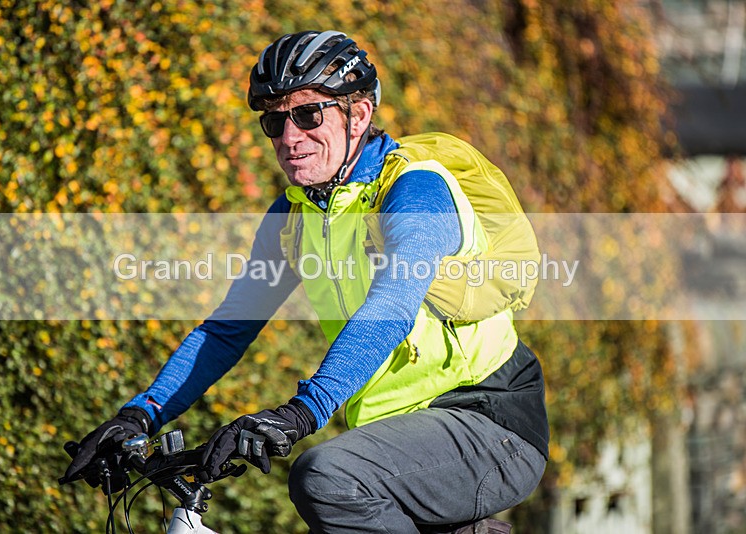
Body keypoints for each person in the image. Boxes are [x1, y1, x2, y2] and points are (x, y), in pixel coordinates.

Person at [63, 30, 549, 534]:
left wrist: (301, 413)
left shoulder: (414, 192)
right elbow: (228, 329)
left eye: (309, 115)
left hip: (489, 421)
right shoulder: (294, 216)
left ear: (358, 115)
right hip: (404, 435)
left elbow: (392, 307)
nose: (289, 137)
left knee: (328, 477)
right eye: (275, 121)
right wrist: (141, 415)